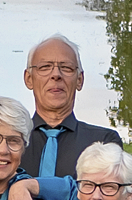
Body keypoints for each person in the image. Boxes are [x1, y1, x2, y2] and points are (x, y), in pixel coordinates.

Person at [17, 35, 121, 187]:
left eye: (66, 68)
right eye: (45, 67)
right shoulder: (10, 142)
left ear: (79, 80)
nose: (56, 75)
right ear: (28, 79)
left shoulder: (103, 142)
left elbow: (104, 196)